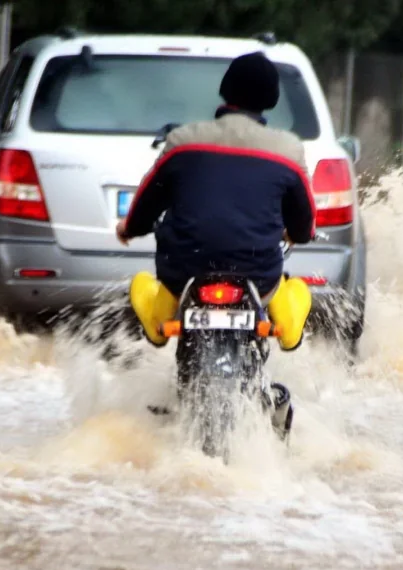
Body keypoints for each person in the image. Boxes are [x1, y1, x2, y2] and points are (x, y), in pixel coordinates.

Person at [115, 51, 316, 351]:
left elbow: (148, 200)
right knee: (287, 324)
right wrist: (297, 234)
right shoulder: (288, 150)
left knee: (158, 325)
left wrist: (128, 229)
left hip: (184, 268)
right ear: (271, 99)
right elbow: (304, 223)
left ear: (225, 90)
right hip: (257, 272)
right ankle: (289, 332)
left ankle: (158, 328)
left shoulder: (182, 141)